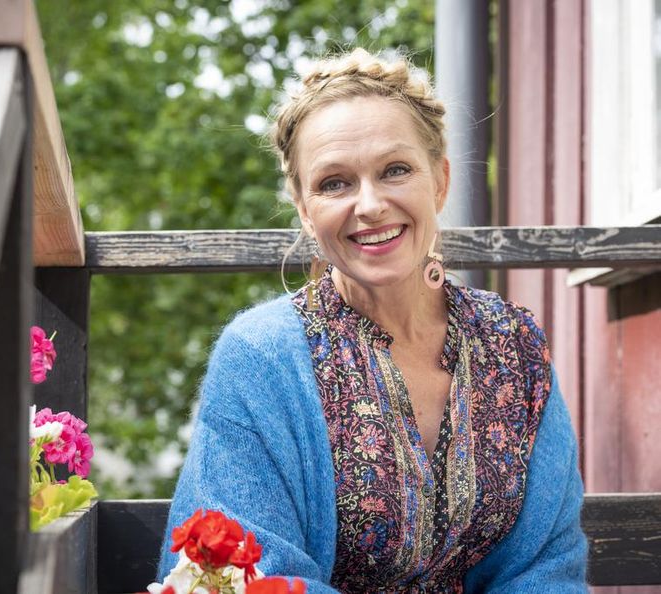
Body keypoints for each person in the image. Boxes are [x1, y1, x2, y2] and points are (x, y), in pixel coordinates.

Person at [157, 48, 588, 593]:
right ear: (304, 209)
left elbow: (546, 565)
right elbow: (248, 576)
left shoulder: (513, 345)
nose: (370, 205)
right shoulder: (261, 359)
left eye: (395, 170)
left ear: (440, 180)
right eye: (334, 183)